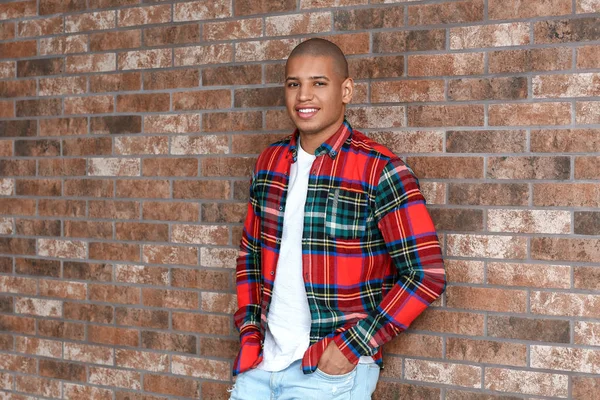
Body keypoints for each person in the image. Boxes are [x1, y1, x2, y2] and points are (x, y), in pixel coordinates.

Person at [230, 38, 446, 400]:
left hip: (329, 375)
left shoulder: (379, 169)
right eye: (294, 84)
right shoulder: (269, 163)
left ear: (346, 90)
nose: (304, 96)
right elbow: (250, 256)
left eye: (319, 83)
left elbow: (426, 274)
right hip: (261, 367)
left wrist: (352, 346)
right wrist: (250, 333)